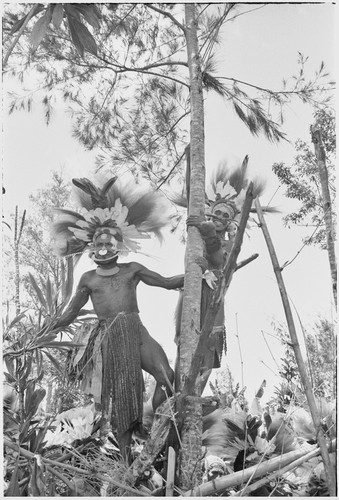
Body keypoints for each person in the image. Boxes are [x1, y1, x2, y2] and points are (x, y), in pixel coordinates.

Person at [51, 176, 184, 461]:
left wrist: (193, 275)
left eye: (109, 241)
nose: (104, 245)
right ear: (91, 245)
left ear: (119, 244)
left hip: (136, 331)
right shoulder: (88, 279)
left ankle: (152, 426)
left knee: (167, 377)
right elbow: (71, 313)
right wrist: (49, 329)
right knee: (121, 400)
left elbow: (167, 281)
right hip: (110, 338)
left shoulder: (132, 269)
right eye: (98, 241)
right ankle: (126, 459)